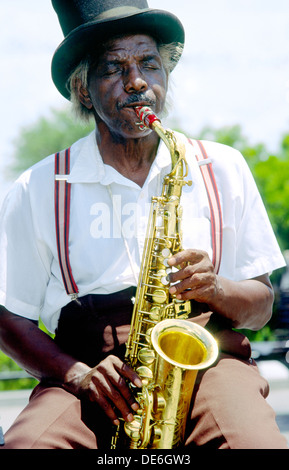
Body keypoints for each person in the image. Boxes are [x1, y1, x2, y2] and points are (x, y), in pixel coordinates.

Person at [0, 0, 287, 450]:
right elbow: (9, 316)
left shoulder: (222, 166)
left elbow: (262, 305)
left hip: (207, 363)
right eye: (114, 67)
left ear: (166, 75)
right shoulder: (37, 186)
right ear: (83, 89)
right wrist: (76, 374)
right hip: (88, 372)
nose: (137, 83)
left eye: (149, 64)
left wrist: (215, 289)